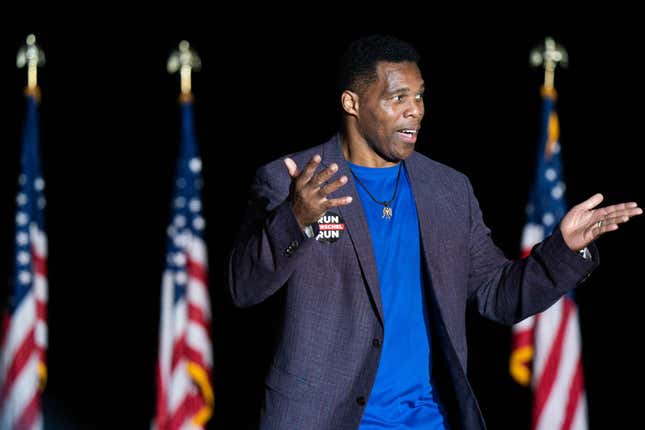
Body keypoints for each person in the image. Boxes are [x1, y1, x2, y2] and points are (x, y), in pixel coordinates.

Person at [226, 34, 641, 429]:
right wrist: (294, 218)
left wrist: (564, 249)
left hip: (429, 420)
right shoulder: (291, 179)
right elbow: (244, 288)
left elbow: (498, 294)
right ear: (352, 103)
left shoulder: (447, 189)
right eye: (398, 98)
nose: (416, 110)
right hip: (323, 419)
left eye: (420, 95)